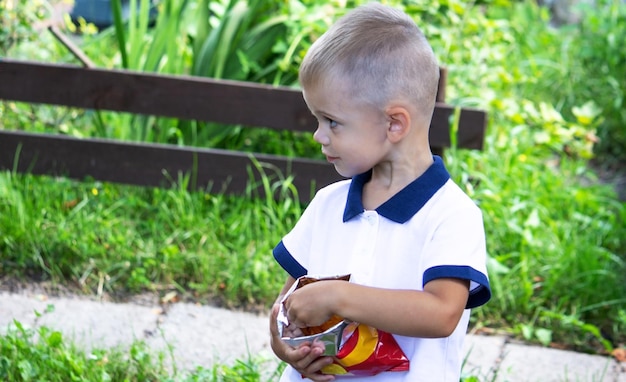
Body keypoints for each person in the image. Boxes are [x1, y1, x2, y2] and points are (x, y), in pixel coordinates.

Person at [269, 2, 491, 381]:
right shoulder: (328, 206)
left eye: (332, 122)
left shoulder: (452, 215)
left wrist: (338, 297)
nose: (318, 135)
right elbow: (287, 307)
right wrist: (284, 343)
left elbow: (442, 314)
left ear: (394, 124)